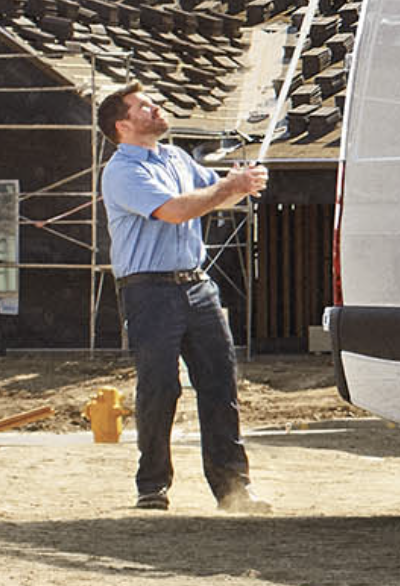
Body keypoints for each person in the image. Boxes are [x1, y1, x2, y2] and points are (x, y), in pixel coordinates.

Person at [96, 83, 270, 513]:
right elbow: (176, 210)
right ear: (122, 125)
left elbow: (215, 195)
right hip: (148, 290)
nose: (156, 108)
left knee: (220, 385)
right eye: (144, 106)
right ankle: (152, 486)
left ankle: (234, 490)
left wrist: (243, 183)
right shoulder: (121, 172)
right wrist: (229, 186)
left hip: (196, 284)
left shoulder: (176, 157)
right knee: (160, 388)